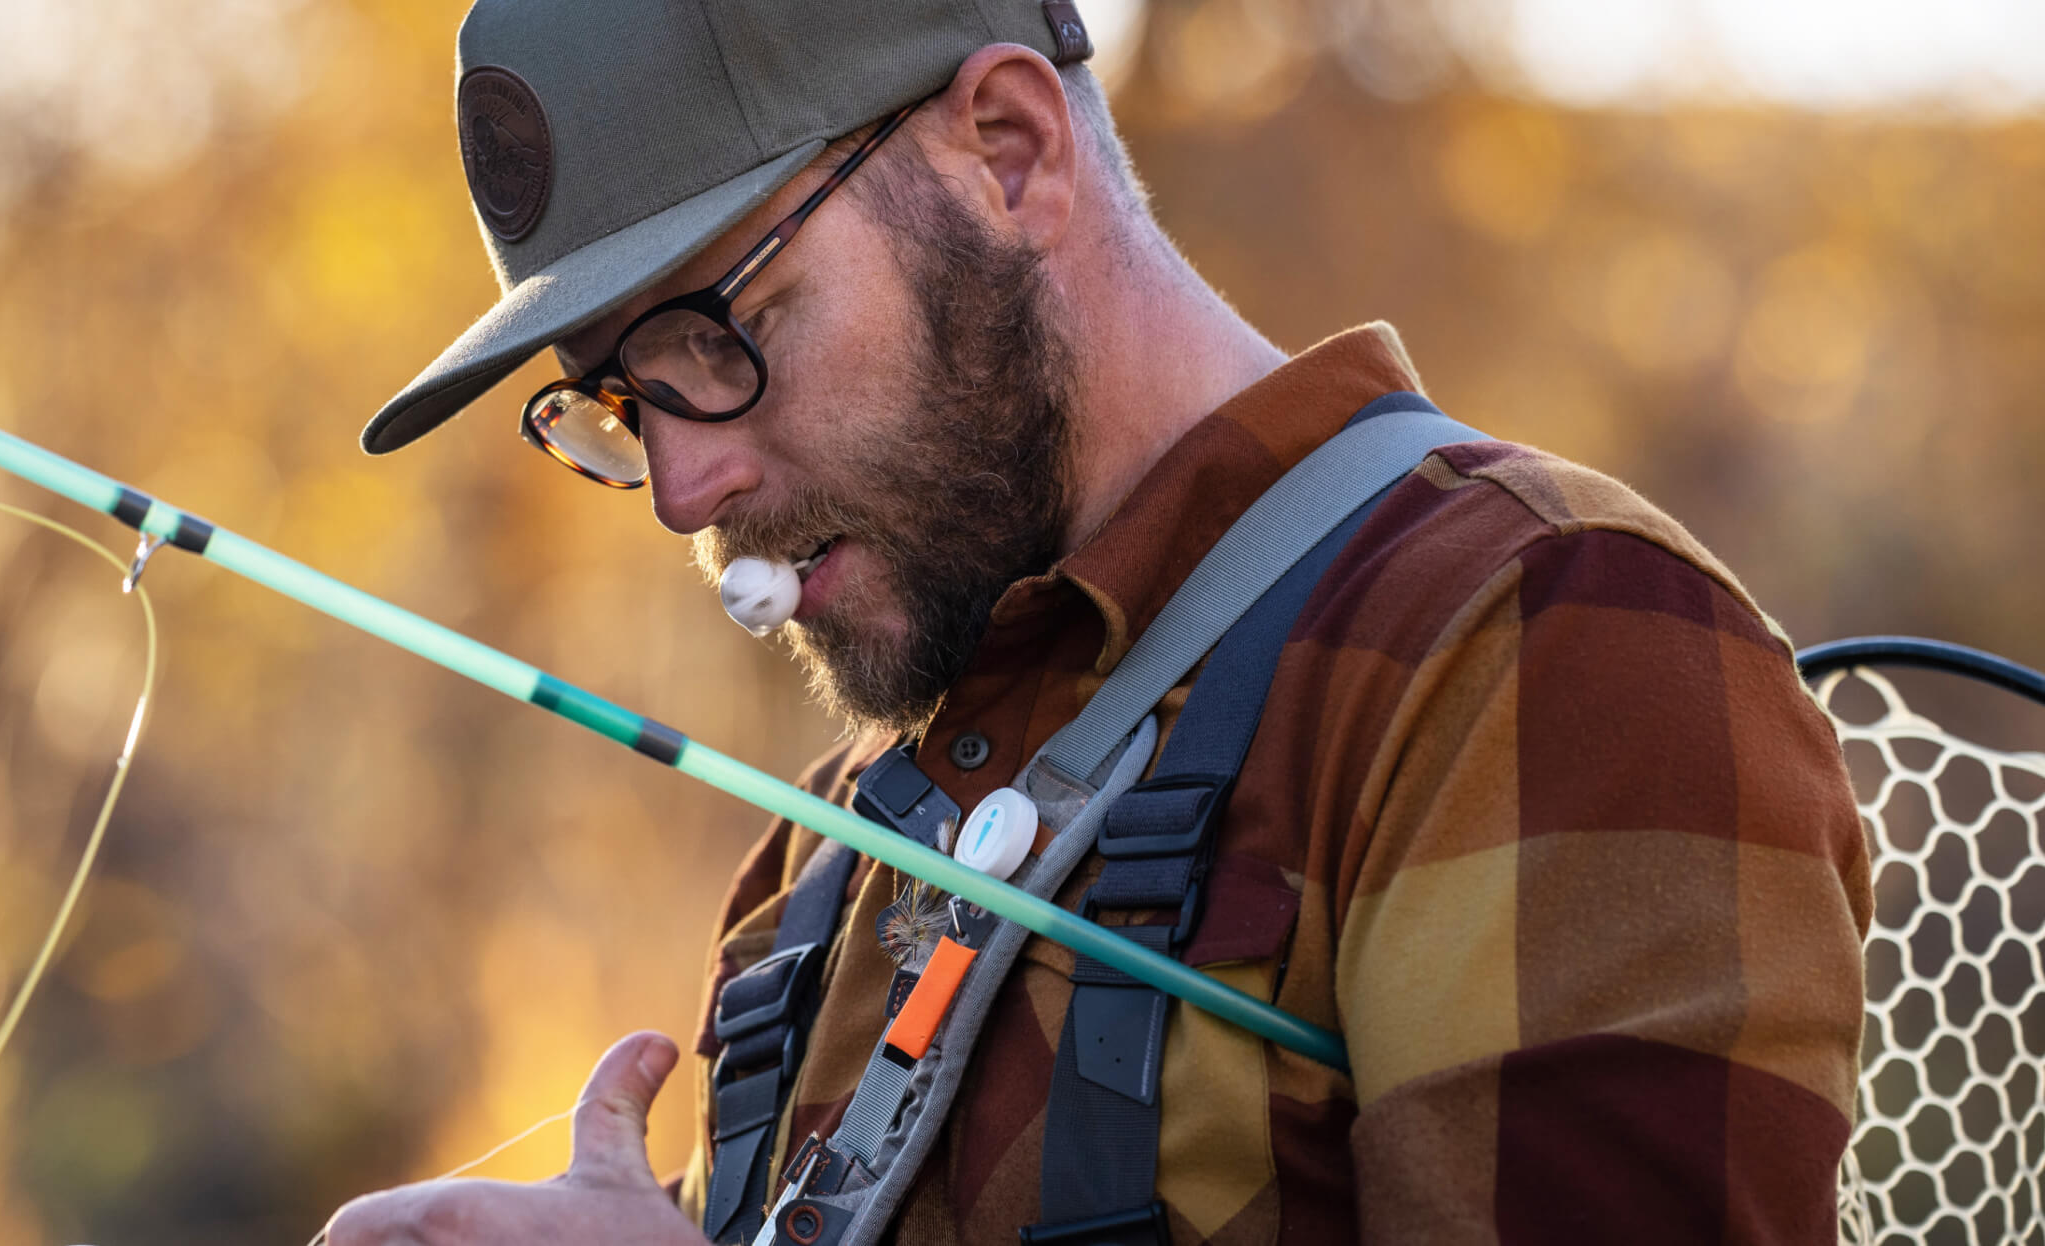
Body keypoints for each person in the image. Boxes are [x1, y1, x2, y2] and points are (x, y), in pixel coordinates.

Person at [325, 1, 1871, 1242]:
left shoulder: (1548, 645)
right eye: (614, 399)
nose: (680, 483)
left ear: (1007, 148)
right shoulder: (835, 843)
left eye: (716, 337)